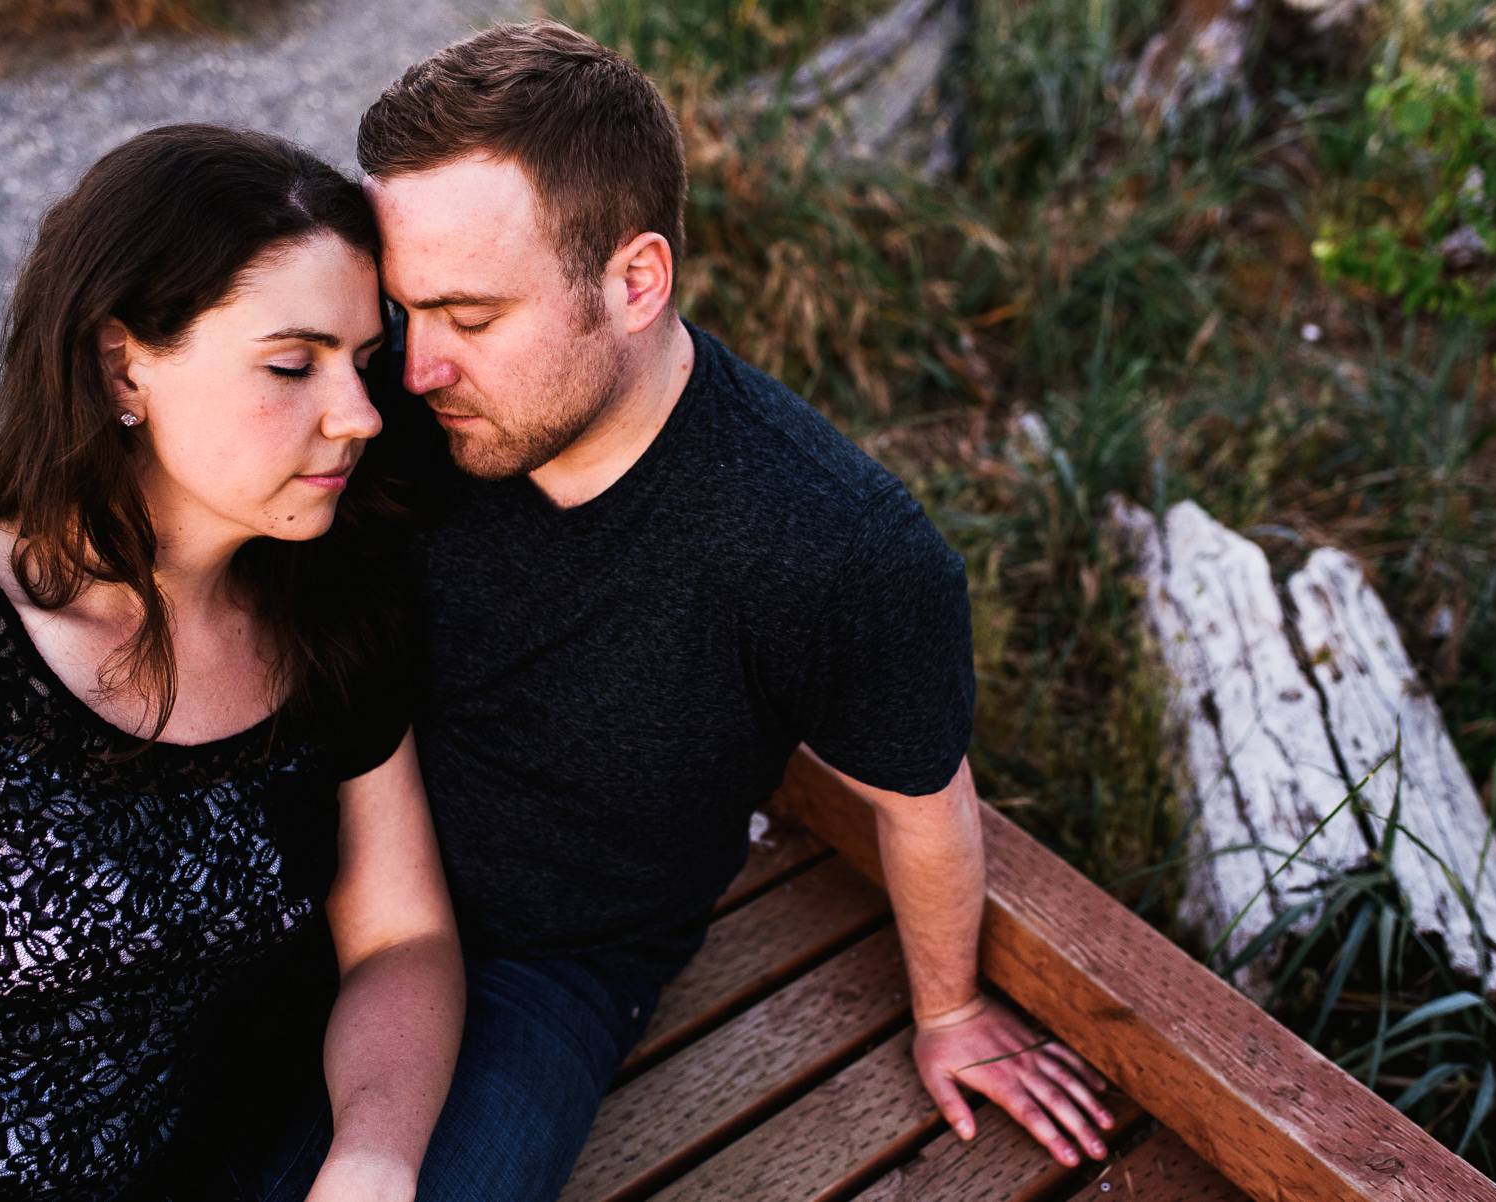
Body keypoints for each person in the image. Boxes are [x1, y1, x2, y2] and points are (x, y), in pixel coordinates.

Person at [354, 21, 1115, 1201]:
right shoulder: (390, 412)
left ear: (635, 280)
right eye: (410, 311)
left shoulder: (831, 543)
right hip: (329, 856)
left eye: (473, 315)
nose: (418, 370)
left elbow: (923, 803)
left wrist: (951, 1007)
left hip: (553, 960)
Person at [0, 125, 462, 1202]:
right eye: (292, 362)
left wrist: (373, 1150)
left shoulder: (325, 601)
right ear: (119, 362)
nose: (360, 414)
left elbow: (401, 936)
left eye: (362, 362)